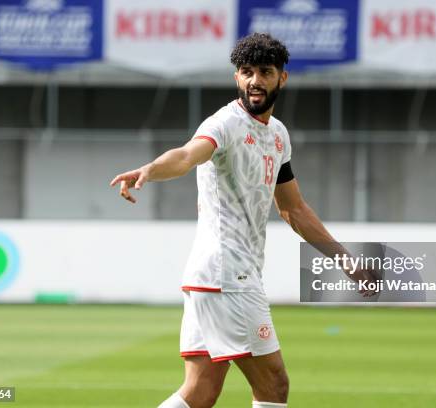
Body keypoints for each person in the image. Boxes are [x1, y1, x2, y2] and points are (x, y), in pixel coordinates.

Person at [110, 33, 376, 408]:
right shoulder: (225, 124)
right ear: (237, 78)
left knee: (200, 392)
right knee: (274, 386)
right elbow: (187, 155)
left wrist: (345, 261)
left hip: (215, 277)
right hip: (227, 275)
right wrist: (150, 170)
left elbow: (293, 209)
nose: (255, 81)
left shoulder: (278, 135)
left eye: (264, 72)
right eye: (246, 72)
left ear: (282, 78)